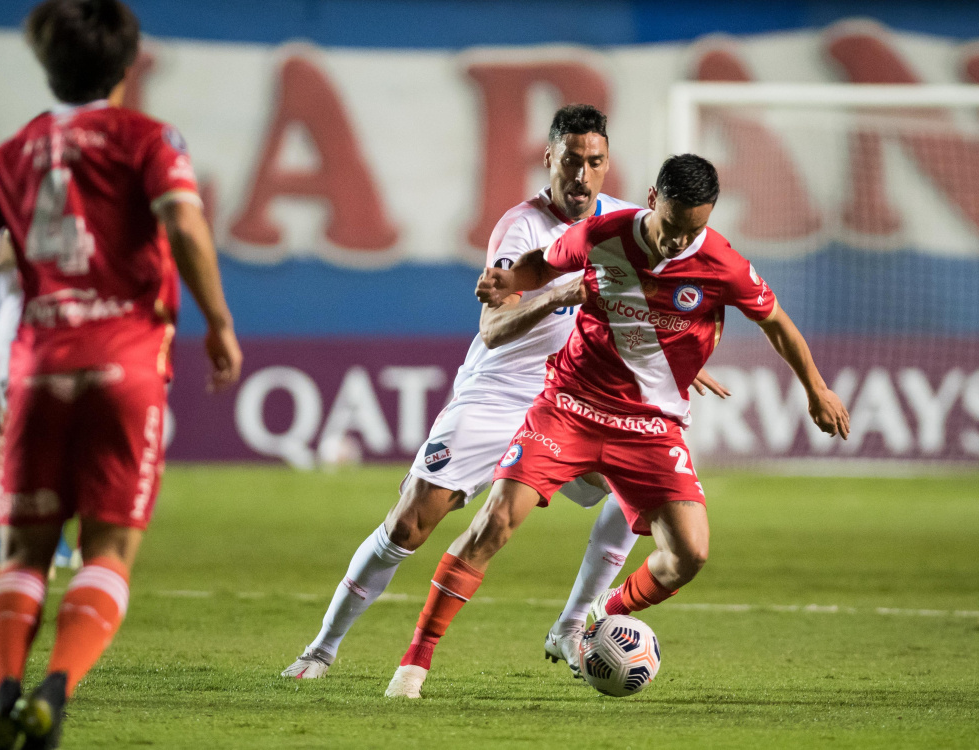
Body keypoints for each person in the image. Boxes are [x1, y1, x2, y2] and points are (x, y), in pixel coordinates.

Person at [282, 104, 724, 681]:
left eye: (594, 162)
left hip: (580, 400)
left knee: (637, 494)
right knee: (409, 524)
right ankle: (322, 649)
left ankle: (572, 626)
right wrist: (561, 293)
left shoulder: (630, 222)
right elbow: (493, 329)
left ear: (608, 163)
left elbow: (652, 308)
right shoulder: (521, 228)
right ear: (548, 159)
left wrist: (676, 360)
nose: (581, 175)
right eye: (571, 161)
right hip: (500, 393)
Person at [385, 154, 849, 698]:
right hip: (569, 405)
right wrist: (508, 280)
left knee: (689, 555)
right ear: (653, 199)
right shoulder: (602, 234)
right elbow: (543, 263)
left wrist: (816, 388)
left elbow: (775, 322)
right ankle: (414, 664)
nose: (679, 242)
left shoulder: (722, 264)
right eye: (673, 226)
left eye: (693, 229)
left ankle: (600, 616)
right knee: (495, 523)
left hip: (650, 425)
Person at [0, 1, 242, 747]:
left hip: (36, 366)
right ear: (127, 66)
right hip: (125, 363)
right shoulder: (148, 139)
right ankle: (54, 692)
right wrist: (219, 323)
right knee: (108, 550)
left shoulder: (4, 157)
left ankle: (1, 695)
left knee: (24, 550)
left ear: (47, 65)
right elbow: (185, 223)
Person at [0, 232, 76, 572]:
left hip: (54, 337)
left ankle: (48, 535)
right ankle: (1, 536)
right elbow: (11, 264)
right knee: (15, 439)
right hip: (17, 341)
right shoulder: (13, 209)